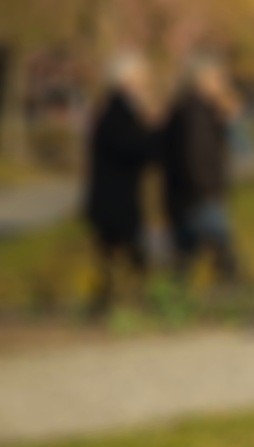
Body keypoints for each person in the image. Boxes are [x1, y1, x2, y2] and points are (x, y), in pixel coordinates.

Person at [82, 52, 159, 316]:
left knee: (119, 255)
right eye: (141, 79)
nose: (146, 84)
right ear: (126, 81)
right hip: (115, 202)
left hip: (114, 200)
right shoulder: (118, 113)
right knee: (129, 254)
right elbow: (135, 149)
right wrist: (153, 128)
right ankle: (133, 303)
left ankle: (114, 302)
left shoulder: (113, 111)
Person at [160, 55, 241, 285]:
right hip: (198, 195)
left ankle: (174, 299)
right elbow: (195, 155)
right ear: (201, 81)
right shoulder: (193, 113)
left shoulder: (198, 110)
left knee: (186, 256)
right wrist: (207, 190)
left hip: (190, 195)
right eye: (217, 79)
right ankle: (233, 295)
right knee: (223, 252)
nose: (222, 85)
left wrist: (223, 119)